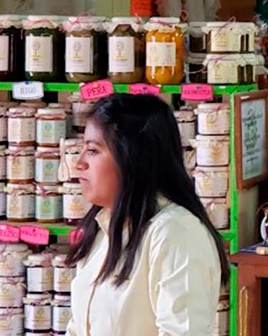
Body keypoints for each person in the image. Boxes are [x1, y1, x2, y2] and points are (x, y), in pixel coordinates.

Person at [67, 94, 228, 335]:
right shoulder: (100, 229)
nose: (78, 163)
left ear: (131, 157)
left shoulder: (176, 233)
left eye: (93, 150)